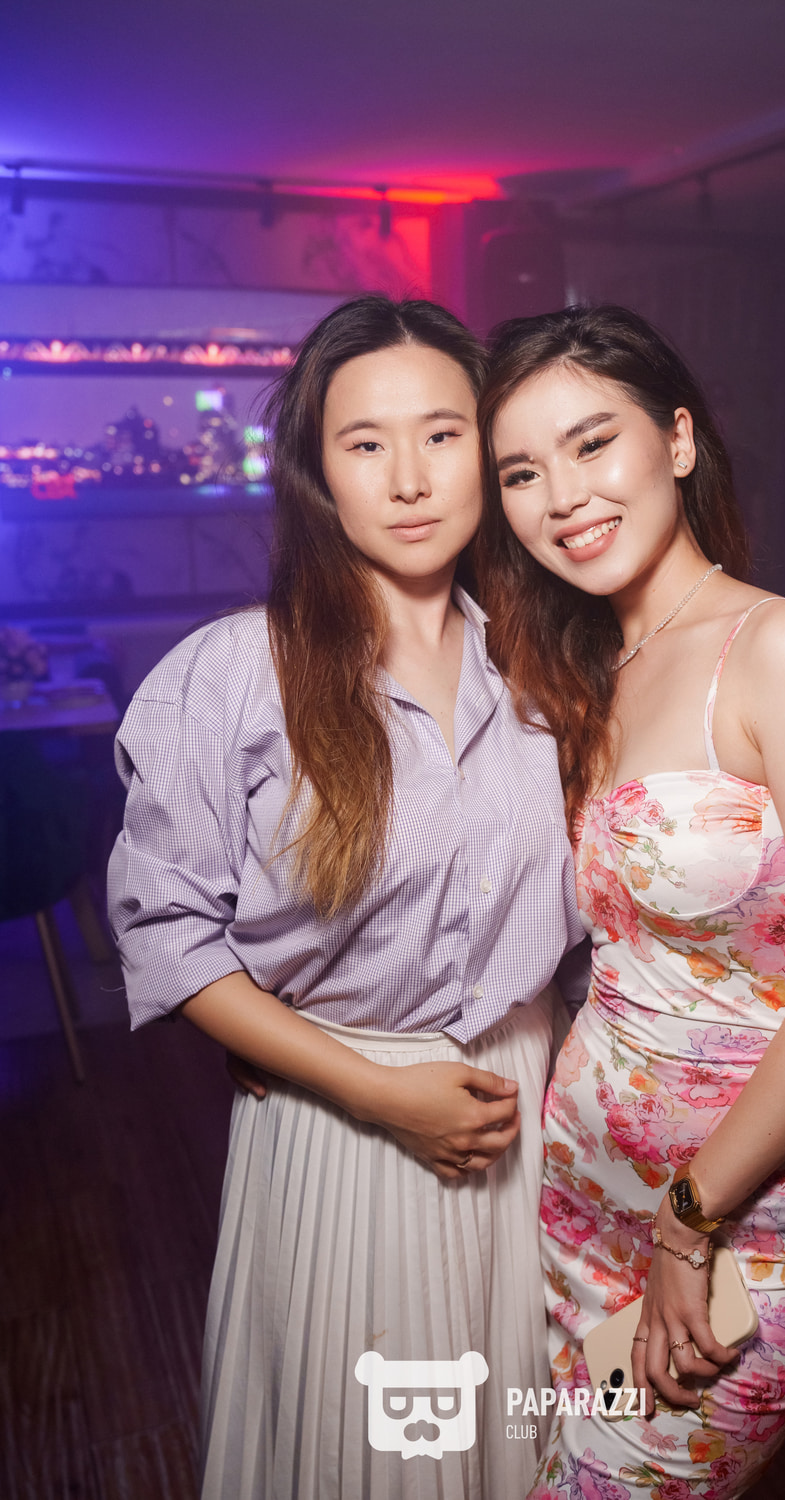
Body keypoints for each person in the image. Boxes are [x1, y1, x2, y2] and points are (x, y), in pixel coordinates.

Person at [107, 295, 587, 1500]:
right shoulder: (234, 674)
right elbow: (169, 934)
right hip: (342, 1124)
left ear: (488, 451)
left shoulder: (546, 668)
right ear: (319, 472)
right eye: (365, 442)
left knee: (516, 1446)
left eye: (442, 434)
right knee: (360, 1450)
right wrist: (374, 1090)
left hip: (528, 1118)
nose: (409, 479)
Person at [474, 304, 785, 1499]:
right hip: (581, 1188)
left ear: (675, 439)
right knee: (547, 1470)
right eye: (521, 472)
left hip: (737, 1217)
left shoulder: (781, 648)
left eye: (591, 443)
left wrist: (688, 1220)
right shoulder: (578, 668)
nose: (562, 497)